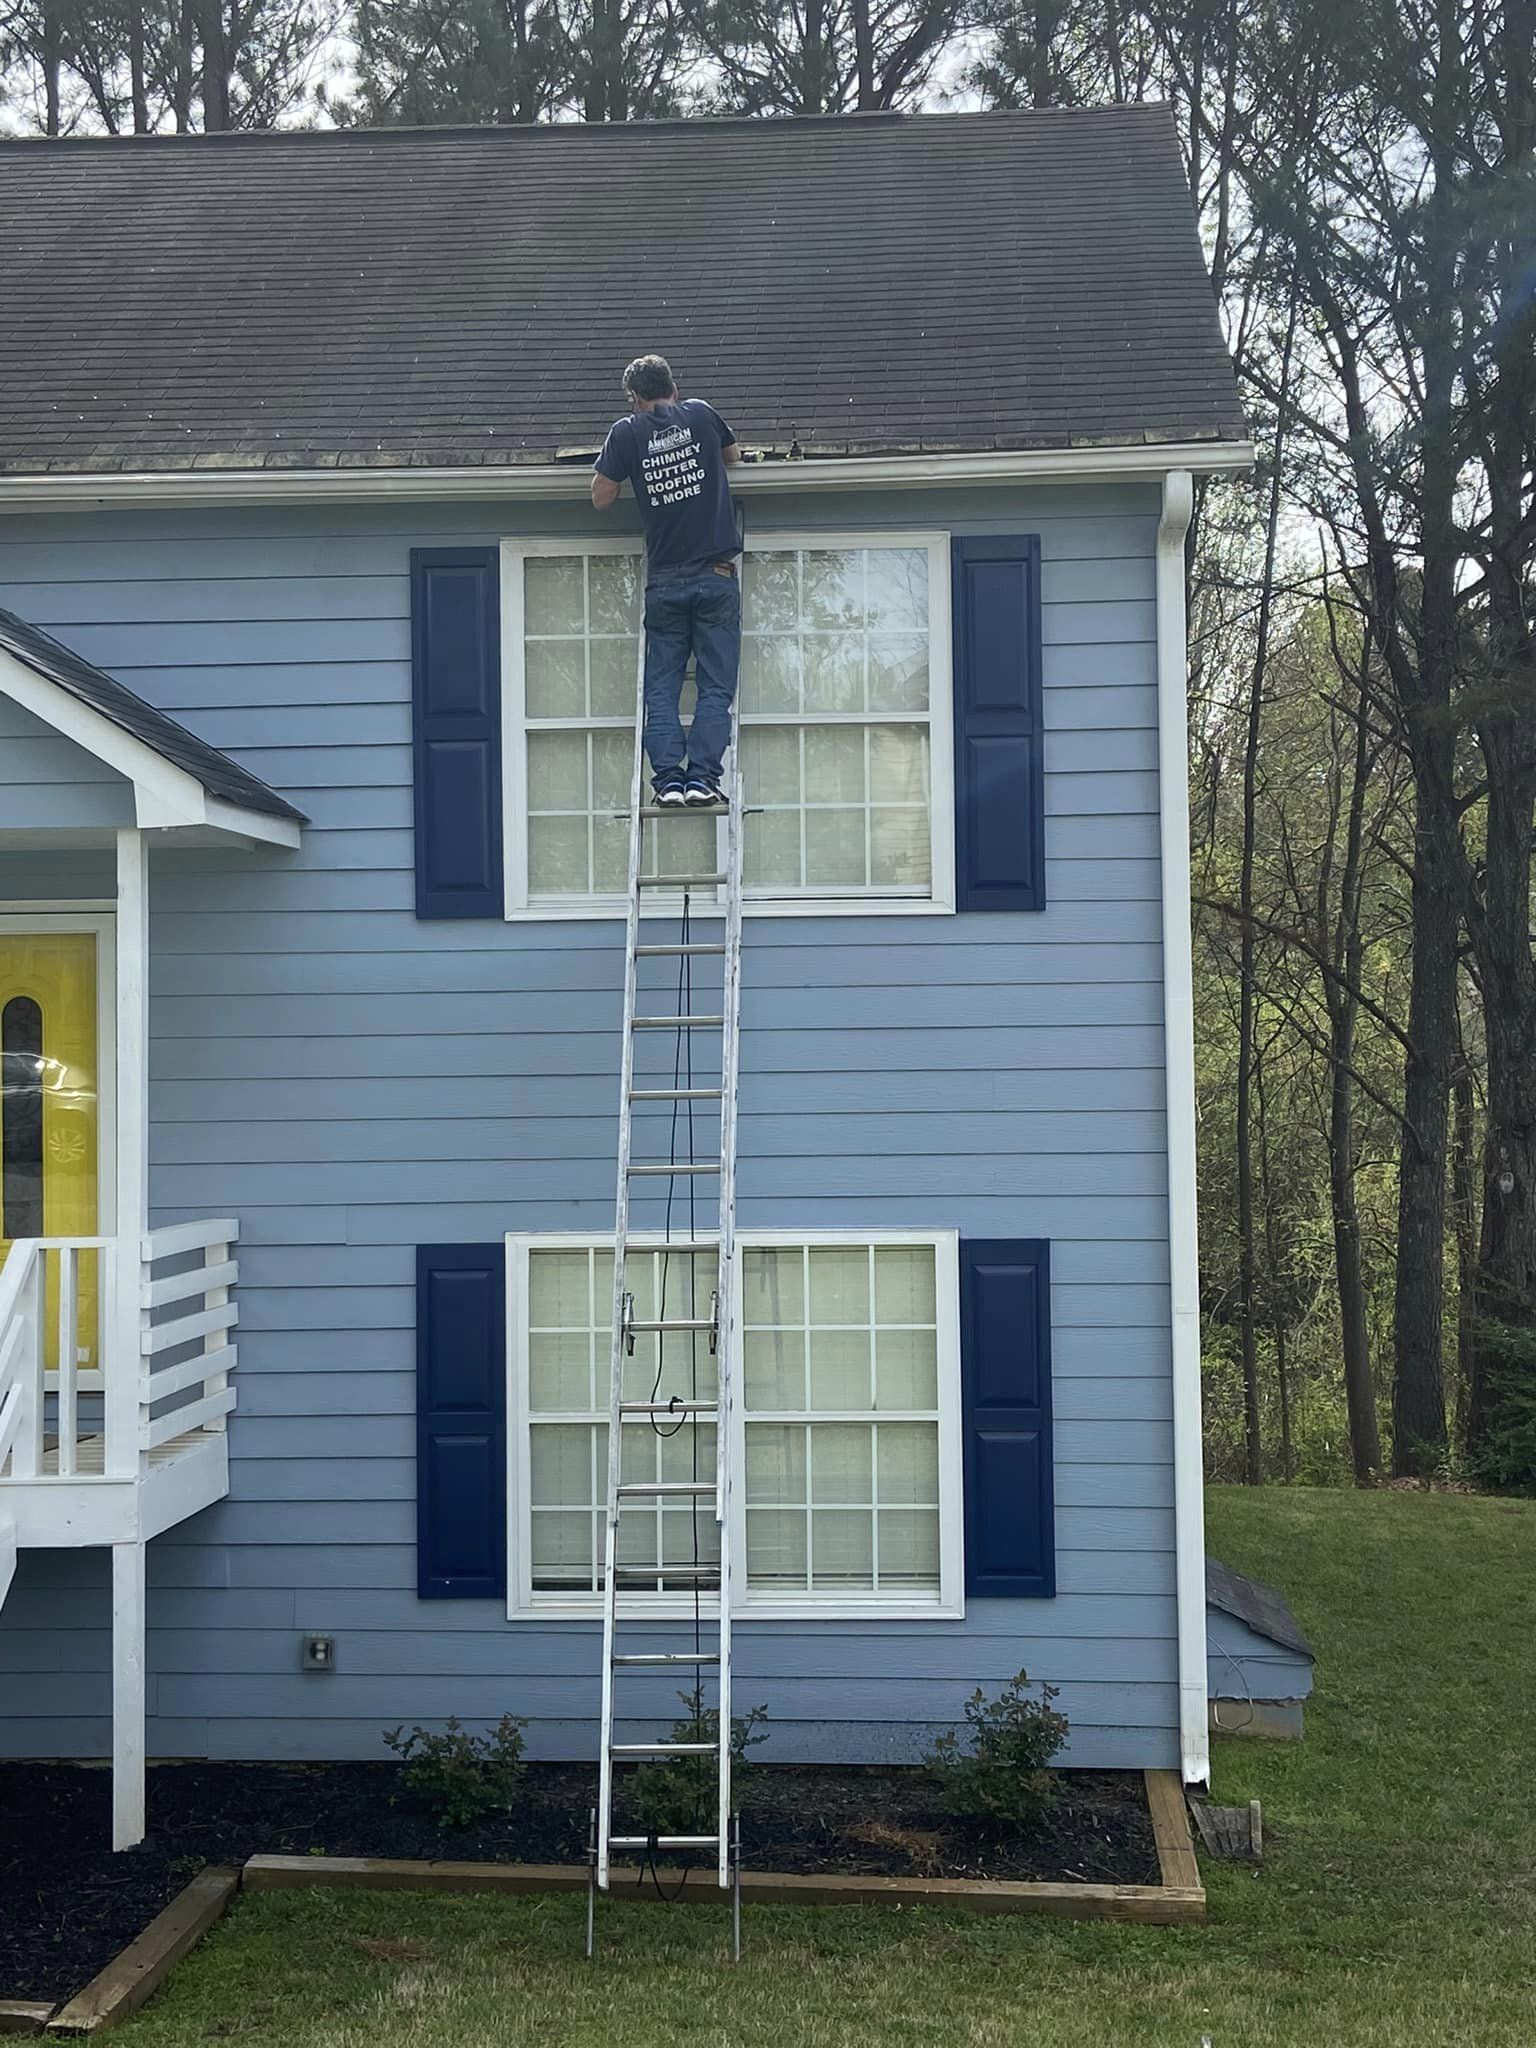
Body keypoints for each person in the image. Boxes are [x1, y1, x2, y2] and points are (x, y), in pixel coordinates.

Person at [591, 355, 741, 809]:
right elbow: (733, 457)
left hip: (666, 582)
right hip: (715, 577)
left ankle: (669, 782)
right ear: (673, 387)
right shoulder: (701, 413)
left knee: (663, 687)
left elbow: (601, 497)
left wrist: (635, 466)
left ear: (634, 398)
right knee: (715, 686)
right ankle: (702, 779)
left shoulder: (627, 431)